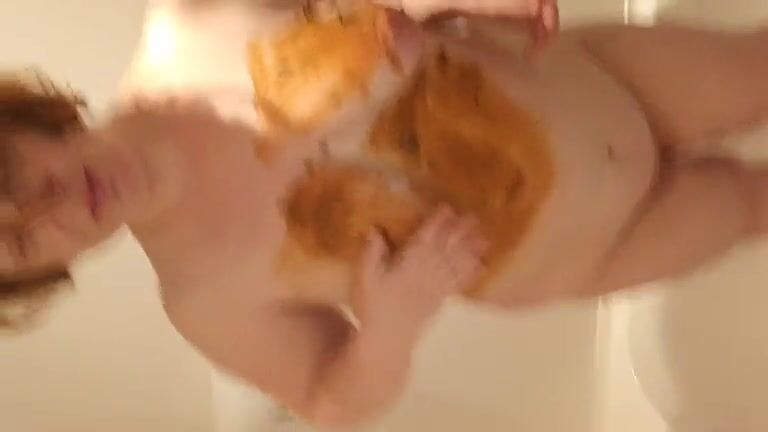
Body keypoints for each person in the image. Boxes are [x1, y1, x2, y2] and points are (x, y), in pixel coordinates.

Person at [1, 1, 767, 428]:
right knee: (747, 204)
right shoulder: (202, 296)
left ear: (21, 120)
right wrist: (390, 325)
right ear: (42, 269)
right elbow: (329, 402)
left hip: (595, 82)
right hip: (586, 247)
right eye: (22, 242)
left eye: (10, 177)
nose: (52, 209)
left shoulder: (193, 21)